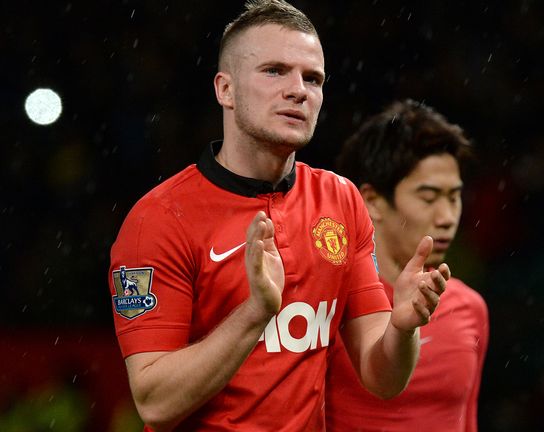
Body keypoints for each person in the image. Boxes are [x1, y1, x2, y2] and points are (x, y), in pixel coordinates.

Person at [107, 1, 449, 431]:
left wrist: (402, 329)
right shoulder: (158, 219)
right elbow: (154, 402)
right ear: (225, 90)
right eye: (274, 71)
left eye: (313, 78)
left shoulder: (340, 200)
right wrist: (256, 312)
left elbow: (382, 379)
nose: (298, 90)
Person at [326, 100, 489, 431]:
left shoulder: (470, 309)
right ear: (372, 201)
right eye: (428, 198)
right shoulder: (326, 306)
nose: (446, 217)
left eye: (454, 197)